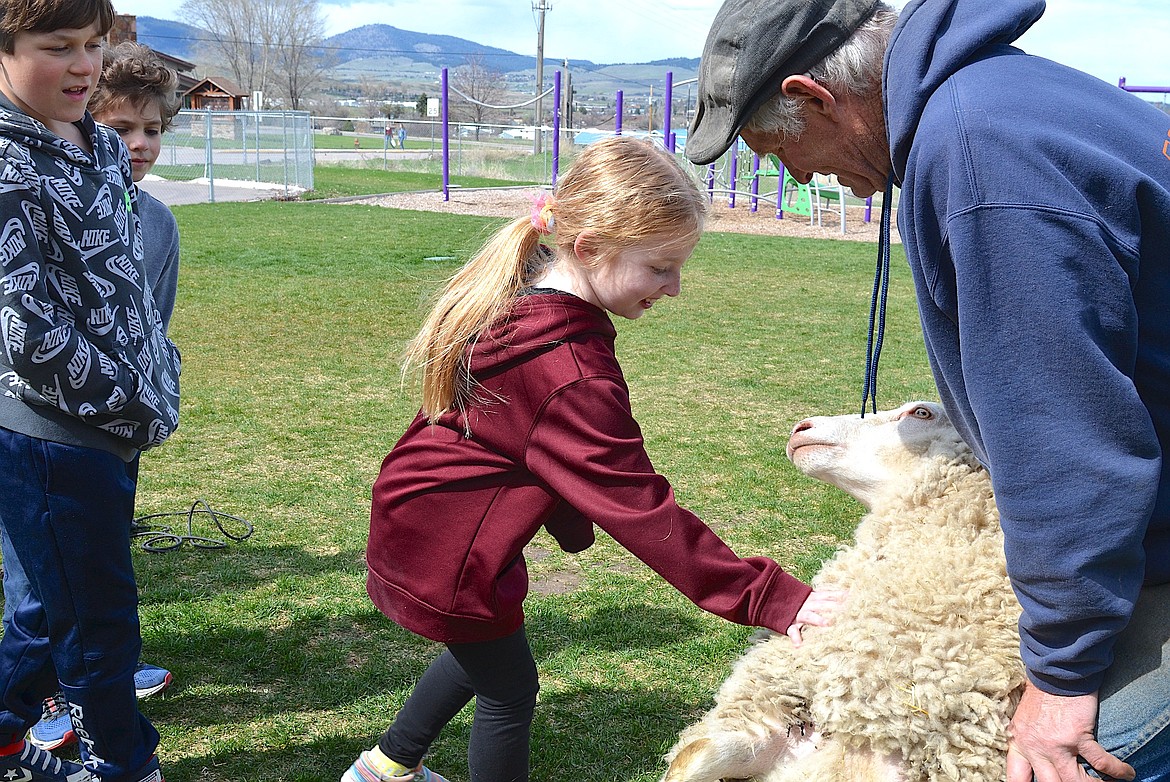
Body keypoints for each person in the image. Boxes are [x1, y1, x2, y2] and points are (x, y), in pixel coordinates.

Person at [685, 0, 1170, 781]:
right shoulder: (998, 103)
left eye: (779, 148)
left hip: (1141, 547)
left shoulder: (981, 154)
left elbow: (1063, 435)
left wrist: (1061, 677)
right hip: (1142, 535)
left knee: (1066, 760)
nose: (800, 175)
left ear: (814, 97)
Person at [340, 135, 847, 782]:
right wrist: (772, 597)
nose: (676, 287)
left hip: (425, 518)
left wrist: (568, 518)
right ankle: (383, 769)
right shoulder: (567, 369)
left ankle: (384, 767)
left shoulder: (525, 301)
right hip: (448, 543)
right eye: (661, 267)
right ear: (588, 249)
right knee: (507, 686)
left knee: (481, 653)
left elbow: (533, 452)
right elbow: (639, 507)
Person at [0, 0, 182, 780]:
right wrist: (130, 397)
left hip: (116, 424)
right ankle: (122, 764)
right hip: (48, 435)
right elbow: (24, 327)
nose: (84, 65)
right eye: (58, 46)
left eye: (94, 45)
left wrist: (159, 370)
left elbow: (127, 288)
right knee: (97, 625)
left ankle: (7, 734)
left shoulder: (98, 145)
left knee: (51, 610)